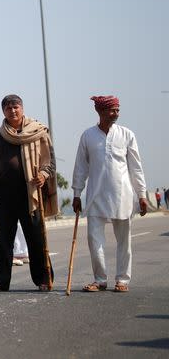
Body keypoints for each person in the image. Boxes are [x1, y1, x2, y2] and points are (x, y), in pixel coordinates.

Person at [72, 95, 147, 293]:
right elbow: (80, 167)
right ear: (100, 111)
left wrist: (142, 195)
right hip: (95, 196)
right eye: (112, 110)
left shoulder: (127, 134)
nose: (116, 114)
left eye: (117, 110)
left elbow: (136, 168)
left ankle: (122, 280)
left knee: (124, 241)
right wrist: (77, 193)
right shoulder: (88, 136)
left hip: (122, 196)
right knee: (94, 239)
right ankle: (100, 279)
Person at [0, 94, 56, 292]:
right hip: (4, 193)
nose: (12, 111)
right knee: (3, 239)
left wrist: (42, 174)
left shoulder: (38, 131)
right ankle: (1, 282)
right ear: (3, 112)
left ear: (22, 108)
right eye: (8, 108)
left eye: (16, 107)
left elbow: (50, 162)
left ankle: (44, 279)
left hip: (30, 191)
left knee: (36, 236)